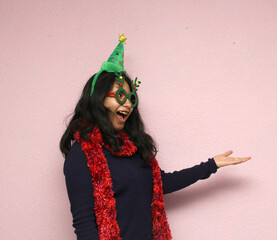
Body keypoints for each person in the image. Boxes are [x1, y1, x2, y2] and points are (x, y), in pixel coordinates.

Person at [60, 34, 251, 240]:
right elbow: (84, 225)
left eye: (131, 98)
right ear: (97, 99)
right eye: (120, 96)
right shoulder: (81, 155)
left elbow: (160, 183)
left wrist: (210, 165)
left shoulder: (133, 148)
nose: (128, 105)